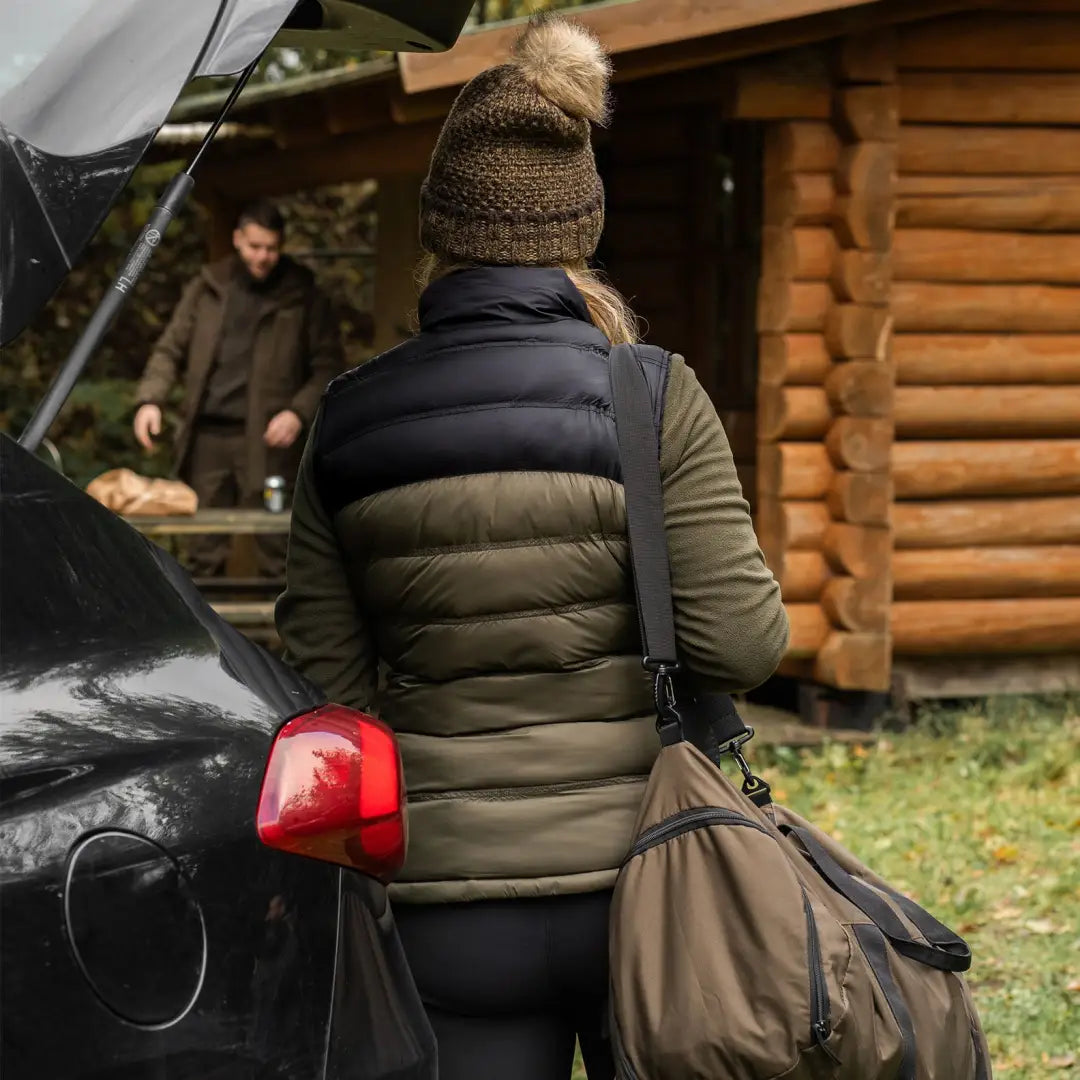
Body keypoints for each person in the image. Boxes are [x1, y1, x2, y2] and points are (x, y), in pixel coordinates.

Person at [276, 14, 788, 1080]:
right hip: (649, 888)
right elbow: (739, 646)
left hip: (439, 905)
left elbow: (324, 693)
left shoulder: (349, 417)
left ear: (441, 232)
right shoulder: (650, 395)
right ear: (577, 229)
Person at [133, 200, 343, 578]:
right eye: (254, 247)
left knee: (277, 549)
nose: (263, 257)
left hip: (268, 441)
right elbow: (170, 348)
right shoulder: (208, 286)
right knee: (202, 550)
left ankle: (274, 637)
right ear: (237, 240)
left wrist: (297, 412)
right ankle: (203, 635)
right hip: (208, 439)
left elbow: (328, 366)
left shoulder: (303, 294)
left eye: (272, 248)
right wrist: (150, 400)